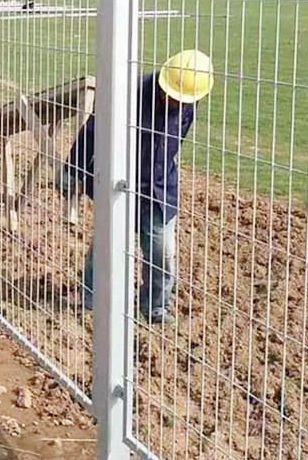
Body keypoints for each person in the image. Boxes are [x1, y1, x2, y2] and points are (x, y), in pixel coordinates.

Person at [60, 50, 214, 322]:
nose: (176, 103)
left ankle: (155, 307)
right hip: (119, 184)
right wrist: (72, 169)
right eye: (173, 97)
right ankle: (92, 299)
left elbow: (175, 142)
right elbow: (92, 132)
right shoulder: (128, 94)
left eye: (183, 101)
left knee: (162, 251)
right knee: (107, 245)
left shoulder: (189, 101)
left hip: (159, 190)